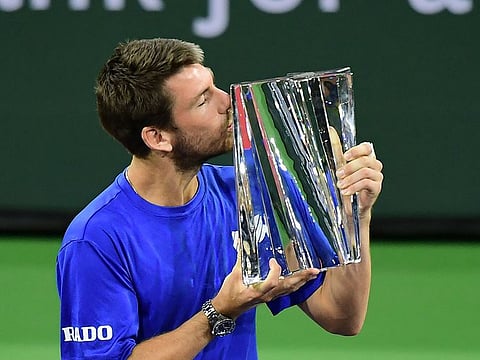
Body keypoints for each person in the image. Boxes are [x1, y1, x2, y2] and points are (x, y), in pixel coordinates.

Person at [56, 38, 383, 360]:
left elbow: (342, 317)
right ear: (157, 137)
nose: (226, 101)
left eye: (213, 85)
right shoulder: (96, 239)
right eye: (202, 101)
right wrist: (219, 312)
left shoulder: (245, 193)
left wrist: (355, 215)